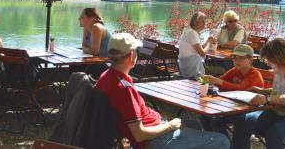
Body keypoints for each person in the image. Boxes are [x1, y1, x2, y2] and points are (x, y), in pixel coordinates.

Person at [95, 33, 230, 149]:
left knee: (195, 124)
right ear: (131, 56)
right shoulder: (123, 89)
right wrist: (170, 126)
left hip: (158, 130)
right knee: (222, 141)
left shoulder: (106, 76)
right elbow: (140, 135)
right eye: (137, 50)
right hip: (157, 141)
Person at [232, 38, 285, 149]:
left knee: (274, 134)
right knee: (242, 121)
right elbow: (280, 92)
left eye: (268, 59)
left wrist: (267, 99)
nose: (266, 62)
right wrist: (261, 91)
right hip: (277, 113)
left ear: (279, 58)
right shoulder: (278, 70)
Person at [200, 44, 264, 137]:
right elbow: (222, 80)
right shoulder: (235, 70)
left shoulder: (254, 75)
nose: (236, 61)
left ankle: (226, 145)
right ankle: (214, 143)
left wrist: (218, 81)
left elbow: (241, 90)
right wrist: (210, 80)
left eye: (241, 58)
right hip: (233, 105)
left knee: (216, 121)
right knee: (204, 116)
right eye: (234, 57)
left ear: (250, 59)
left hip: (249, 109)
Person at [178, 12, 216, 79]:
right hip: (193, 71)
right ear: (196, 22)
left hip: (186, 67)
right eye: (203, 22)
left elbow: (199, 48)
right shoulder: (192, 33)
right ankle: (214, 87)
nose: (205, 24)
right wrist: (209, 43)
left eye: (205, 22)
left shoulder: (188, 31)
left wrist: (207, 41)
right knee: (222, 70)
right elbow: (203, 54)